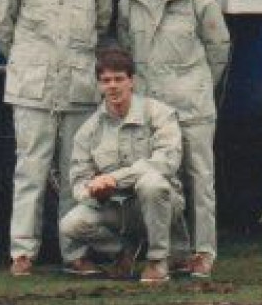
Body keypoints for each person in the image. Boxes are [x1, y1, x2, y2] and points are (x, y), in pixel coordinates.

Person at [0, 0, 114, 277]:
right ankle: (22, 253)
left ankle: (73, 253)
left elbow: (102, 26)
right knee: (31, 171)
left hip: (77, 87)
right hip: (33, 88)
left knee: (76, 174)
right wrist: (27, 60)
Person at [116, 0, 231, 280]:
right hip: (153, 112)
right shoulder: (129, 2)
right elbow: (126, 52)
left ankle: (204, 252)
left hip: (193, 107)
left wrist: (198, 87)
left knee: (200, 180)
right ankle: (175, 252)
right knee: (162, 181)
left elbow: (219, 48)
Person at [59, 47, 184, 286]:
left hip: (162, 203)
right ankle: (123, 251)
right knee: (70, 224)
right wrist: (94, 192)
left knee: (152, 182)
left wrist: (114, 179)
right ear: (98, 85)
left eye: (119, 79)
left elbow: (166, 162)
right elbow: (78, 182)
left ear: (132, 81)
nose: (113, 86)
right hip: (116, 208)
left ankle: (158, 261)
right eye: (106, 81)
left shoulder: (158, 113)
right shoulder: (88, 130)